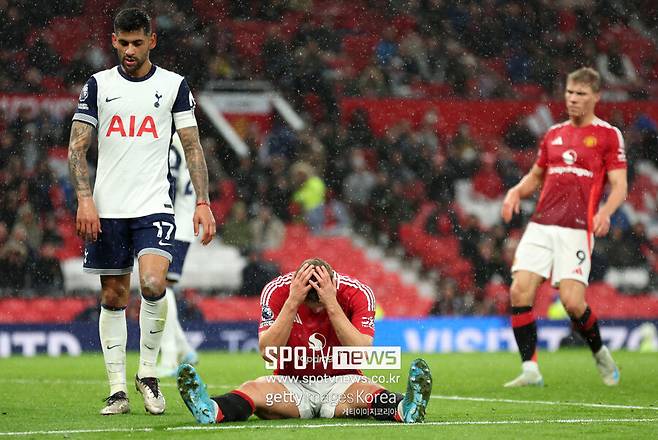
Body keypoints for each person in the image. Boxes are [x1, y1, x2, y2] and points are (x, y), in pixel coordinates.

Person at [67, 8, 216, 415]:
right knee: (113, 296)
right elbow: (77, 147)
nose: (129, 50)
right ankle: (117, 390)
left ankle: (147, 375)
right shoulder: (98, 85)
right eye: (123, 42)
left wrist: (202, 202)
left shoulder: (173, 86)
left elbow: (192, 147)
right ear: (113, 40)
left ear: (152, 41)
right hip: (108, 208)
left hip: (154, 205)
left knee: (152, 283)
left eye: (137, 42)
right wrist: (85, 199)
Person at [177, 258, 432, 424]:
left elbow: (361, 353)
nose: (316, 310)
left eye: (319, 301)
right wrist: (292, 302)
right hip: (291, 383)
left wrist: (331, 303)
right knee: (253, 389)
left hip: (341, 381)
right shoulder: (278, 291)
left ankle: (406, 409)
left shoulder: (357, 293)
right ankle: (211, 409)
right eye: (311, 304)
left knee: (371, 393)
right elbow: (268, 352)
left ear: (332, 285)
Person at [501, 67, 627, 387]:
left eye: (581, 94)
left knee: (572, 302)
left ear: (596, 97)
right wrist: (516, 191)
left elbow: (620, 185)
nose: (572, 99)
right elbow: (536, 175)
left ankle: (599, 352)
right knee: (519, 290)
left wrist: (606, 212)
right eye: (570, 92)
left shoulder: (608, 135)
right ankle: (530, 370)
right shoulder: (553, 134)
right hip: (541, 223)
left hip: (577, 228)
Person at [155, 133, 200, 378]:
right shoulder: (187, 141)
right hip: (183, 221)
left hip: (170, 221)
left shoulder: (169, 143)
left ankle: (170, 356)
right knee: (160, 288)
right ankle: (183, 348)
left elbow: (168, 183)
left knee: (158, 288)